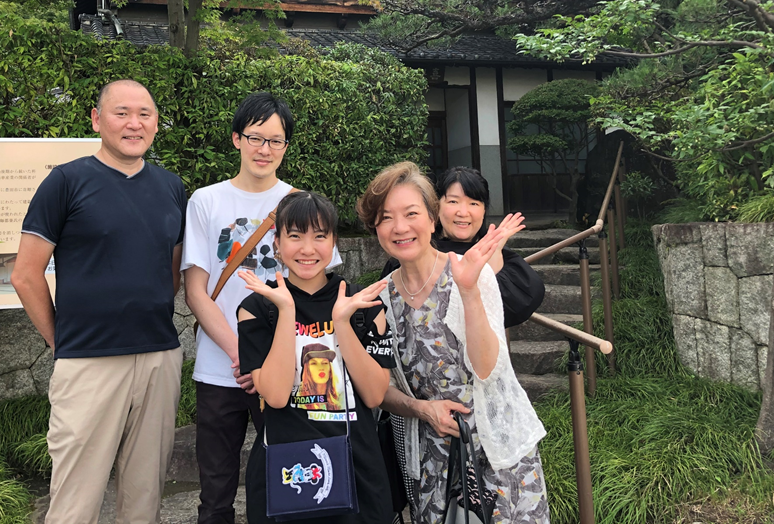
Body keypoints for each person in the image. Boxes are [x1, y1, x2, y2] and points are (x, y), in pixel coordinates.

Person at [11, 79, 187, 524]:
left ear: (156, 123)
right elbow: (25, 275)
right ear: (96, 119)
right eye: (121, 113)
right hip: (88, 361)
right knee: (75, 501)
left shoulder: (171, 187)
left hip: (158, 357)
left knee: (145, 497)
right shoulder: (66, 181)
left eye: (144, 114)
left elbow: (170, 272)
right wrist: (60, 340)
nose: (134, 123)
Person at [357, 162, 550, 524]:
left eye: (411, 213)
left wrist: (468, 289)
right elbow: (381, 389)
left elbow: (488, 368)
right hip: (432, 462)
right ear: (375, 228)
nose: (400, 227)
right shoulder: (380, 299)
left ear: (432, 219)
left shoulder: (469, 272)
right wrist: (421, 409)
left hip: (499, 453)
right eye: (386, 218)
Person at [182, 92, 342, 524]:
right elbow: (195, 291)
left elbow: (318, 291)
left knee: (295, 482)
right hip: (221, 368)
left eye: (276, 140)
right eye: (255, 137)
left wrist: (265, 363)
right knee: (215, 492)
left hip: (287, 372)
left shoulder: (301, 203)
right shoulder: (205, 201)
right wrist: (242, 355)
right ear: (237, 138)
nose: (264, 149)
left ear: (286, 146)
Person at [237, 191, 396, 524]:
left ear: (334, 241)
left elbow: (374, 394)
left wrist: (342, 323)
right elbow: (276, 396)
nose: (307, 249)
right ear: (277, 243)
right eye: (295, 236)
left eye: (320, 236)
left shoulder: (363, 304)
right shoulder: (257, 308)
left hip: (357, 466)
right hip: (287, 470)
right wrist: (286, 311)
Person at [380, 166, 544, 329]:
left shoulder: (499, 253)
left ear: (484, 210)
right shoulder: (412, 253)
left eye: (474, 203)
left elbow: (506, 313)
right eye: (453, 201)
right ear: (435, 207)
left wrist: (493, 260)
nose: (463, 212)